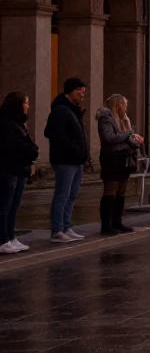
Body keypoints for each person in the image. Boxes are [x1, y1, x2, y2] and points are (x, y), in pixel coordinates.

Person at [46, 78, 90, 241]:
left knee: (72, 195)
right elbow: (54, 133)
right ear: (71, 90)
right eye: (80, 91)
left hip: (76, 160)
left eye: (84, 92)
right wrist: (73, 150)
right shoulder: (60, 110)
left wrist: (83, 156)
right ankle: (57, 230)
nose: (82, 95)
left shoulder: (74, 110)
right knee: (62, 195)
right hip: (65, 160)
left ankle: (66, 226)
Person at [96, 94, 142, 235]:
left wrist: (132, 136)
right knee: (110, 191)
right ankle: (106, 224)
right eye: (125, 104)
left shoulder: (122, 119)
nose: (126, 108)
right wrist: (128, 135)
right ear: (118, 104)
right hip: (112, 157)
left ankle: (117, 221)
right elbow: (109, 137)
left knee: (121, 191)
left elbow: (128, 138)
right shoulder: (106, 118)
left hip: (123, 157)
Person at [0, 92, 38, 254]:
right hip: (9, 169)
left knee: (14, 206)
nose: (28, 106)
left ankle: (11, 237)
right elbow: (17, 148)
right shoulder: (8, 124)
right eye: (26, 103)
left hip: (20, 169)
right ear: (18, 104)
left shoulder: (19, 123)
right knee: (4, 207)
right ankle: (2, 240)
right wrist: (30, 151)